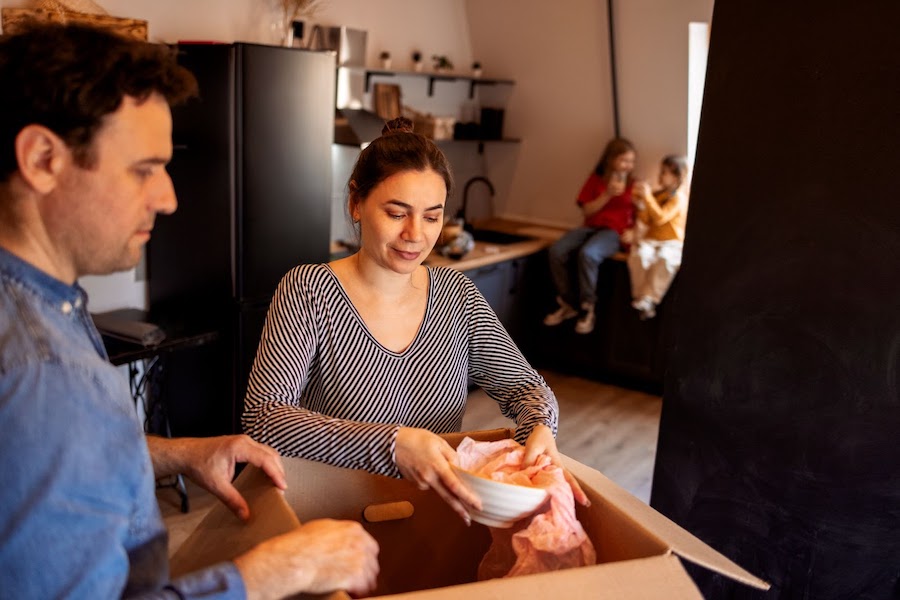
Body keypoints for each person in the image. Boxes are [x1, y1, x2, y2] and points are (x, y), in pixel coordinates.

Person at [0, 22, 378, 599]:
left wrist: (182, 453)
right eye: (144, 169)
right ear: (43, 158)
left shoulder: (38, 304)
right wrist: (273, 572)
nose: (170, 197)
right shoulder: (47, 375)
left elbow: (46, 459)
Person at [242, 117, 589, 522]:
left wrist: (540, 428)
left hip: (433, 516)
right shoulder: (309, 290)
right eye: (396, 213)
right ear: (356, 202)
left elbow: (526, 388)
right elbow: (264, 417)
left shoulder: (456, 296)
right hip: (330, 518)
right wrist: (392, 444)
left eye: (431, 216)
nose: (415, 235)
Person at [543, 138, 638, 334]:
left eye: (631, 161)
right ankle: (568, 301)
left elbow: (642, 215)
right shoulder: (596, 180)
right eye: (624, 161)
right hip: (590, 227)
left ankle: (587, 307)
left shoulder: (634, 185)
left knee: (588, 254)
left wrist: (634, 232)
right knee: (556, 250)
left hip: (613, 232)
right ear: (611, 160)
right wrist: (607, 195)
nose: (628, 166)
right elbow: (586, 211)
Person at [627, 155, 690, 319]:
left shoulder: (678, 198)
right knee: (639, 256)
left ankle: (649, 298)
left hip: (671, 241)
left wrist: (647, 197)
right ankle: (641, 297)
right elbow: (647, 220)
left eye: (664, 173)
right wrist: (641, 204)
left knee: (665, 260)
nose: (660, 176)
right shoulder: (656, 195)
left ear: (676, 176)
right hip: (651, 240)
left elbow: (661, 217)